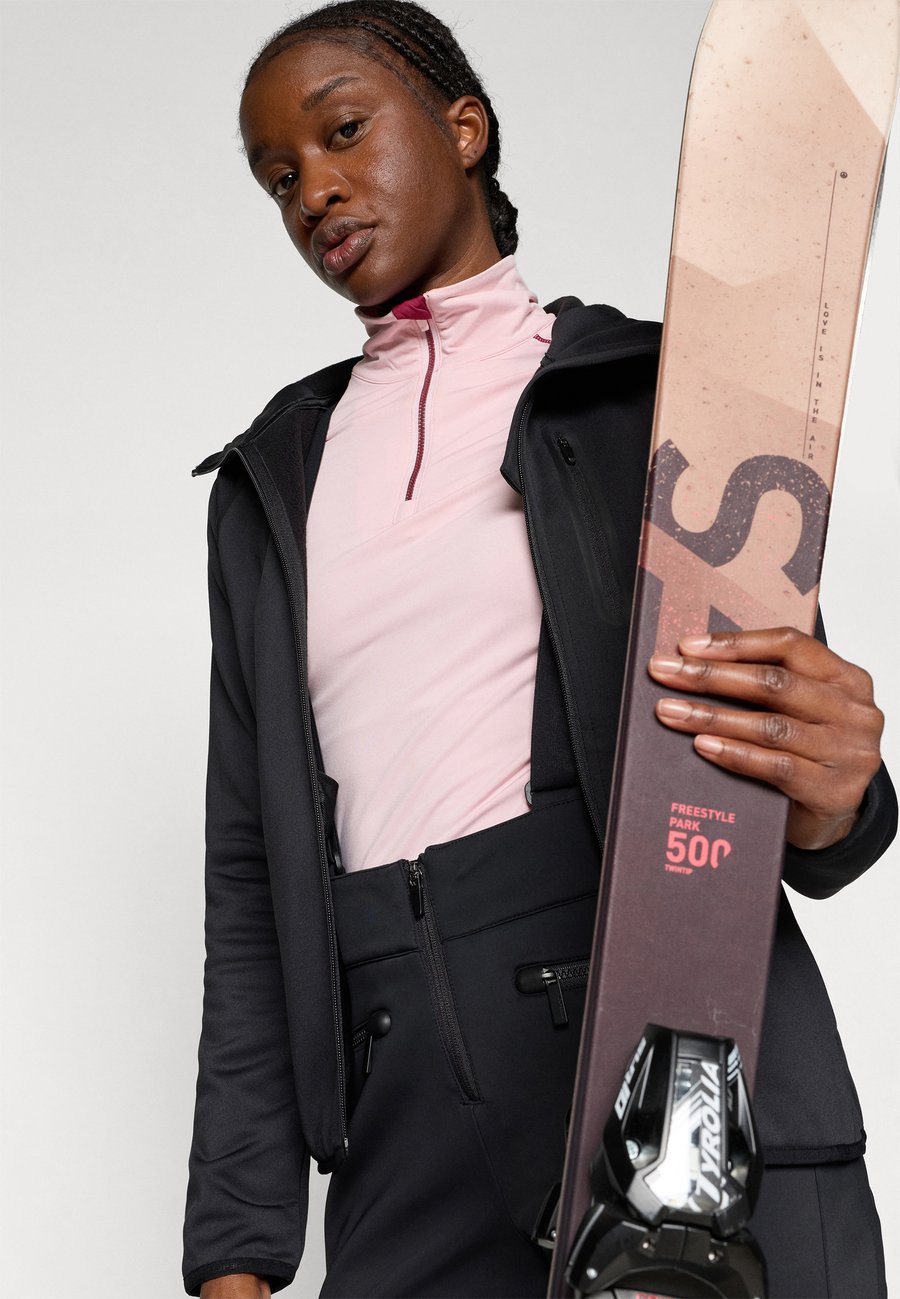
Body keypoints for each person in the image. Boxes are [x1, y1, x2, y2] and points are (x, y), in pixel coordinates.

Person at [181, 3, 897, 1297]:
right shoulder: (269, 490)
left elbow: (798, 797)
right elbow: (250, 881)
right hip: (403, 1109)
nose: (314, 190)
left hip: (670, 1075)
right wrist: (237, 1249)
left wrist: (843, 794)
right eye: (278, 177)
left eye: (344, 132)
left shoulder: (655, 400)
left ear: (465, 128)